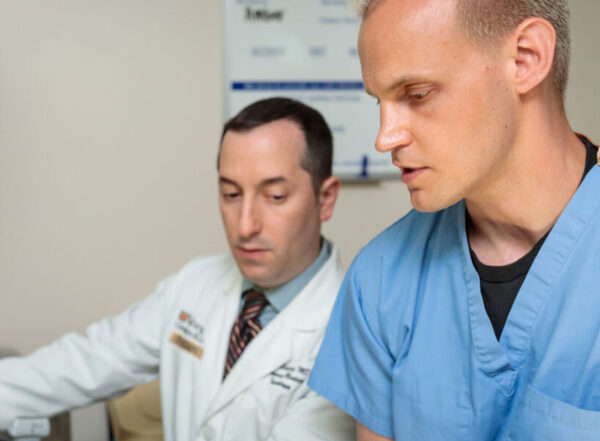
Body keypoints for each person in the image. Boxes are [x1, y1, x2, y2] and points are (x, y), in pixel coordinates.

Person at [308, 0, 600, 440]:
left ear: (526, 58)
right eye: (379, 101)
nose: (385, 137)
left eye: (417, 94)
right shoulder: (381, 281)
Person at [0, 97, 355, 441]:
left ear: (325, 199)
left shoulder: (350, 336)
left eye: (274, 196)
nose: (245, 225)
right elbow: (87, 363)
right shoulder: (196, 284)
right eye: (231, 195)